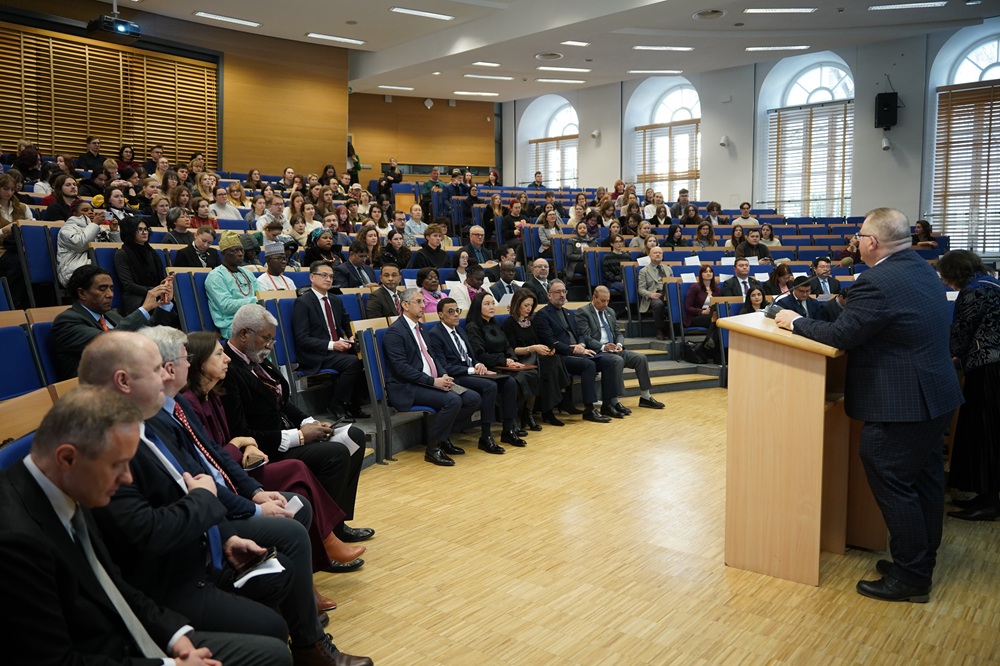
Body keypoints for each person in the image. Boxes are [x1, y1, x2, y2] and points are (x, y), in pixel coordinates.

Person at [80, 332, 372, 665]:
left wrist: (242, 509)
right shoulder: (114, 444)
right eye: (157, 369)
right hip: (181, 570)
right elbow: (157, 521)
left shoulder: (160, 416)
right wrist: (225, 518)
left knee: (285, 559)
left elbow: (212, 460)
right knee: (275, 619)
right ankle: (307, 636)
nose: (166, 375)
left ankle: (306, 624)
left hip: (206, 533)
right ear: (123, 381)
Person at [0, 385, 292, 666]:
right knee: (271, 654)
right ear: (67, 458)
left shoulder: (66, 482)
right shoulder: (14, 541)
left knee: (271, 649)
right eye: (117, 465)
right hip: (106, 652)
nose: (128, 479)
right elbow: (54, 660)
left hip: (134, 634)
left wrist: (175, 635)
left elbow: (114, 584)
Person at [774, 207, 963, 603]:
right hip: (936, 394)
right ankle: (920, 562)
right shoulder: (921, 268)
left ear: (872, 242)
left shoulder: (876, 281)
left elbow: (841, 334)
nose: (855, 241)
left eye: (859, 235)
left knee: (892, 479)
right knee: (925, 481)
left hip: (904, 403)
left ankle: (912, 578)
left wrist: (793, 321)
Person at [219, 305, 372, 546]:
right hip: (266, 450)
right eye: (266, 338)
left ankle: (337, 523)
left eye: (272, 340)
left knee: (354, 436)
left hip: (288, 434)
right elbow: (241, 432)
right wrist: (300, 436)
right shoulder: (229, 369)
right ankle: (325, 534)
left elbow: (282, 402)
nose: (270, 345)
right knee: (335, 454)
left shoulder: (256, 359)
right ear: (244, 334)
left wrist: (309, 422)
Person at [382, 288, 483, 466]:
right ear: (405, 305)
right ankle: (433, 448)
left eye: (423, 301)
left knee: (473, 398)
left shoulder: (421, 328)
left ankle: (442, 435)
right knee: (453, 401)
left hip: (430, 381)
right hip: (408, 386)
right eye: (418, 302)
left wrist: (444, 374)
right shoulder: (395, 332)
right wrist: (433, 381)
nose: (423, 305)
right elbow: (401, 368)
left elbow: (433, 356)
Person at [936, 250, 1000, 521]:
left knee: (984, 432)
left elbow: (961, 332)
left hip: (987, 366)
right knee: (989, 431)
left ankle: (990, 502)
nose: (945, 281)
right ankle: (985, 495)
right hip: (994, 365)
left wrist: (947, 354)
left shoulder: (973, 291)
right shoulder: (992, 283)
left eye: (946, 276)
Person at [430, 295, 527, 452]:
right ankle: (486, 436)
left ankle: (508, 429)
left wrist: (478, 364)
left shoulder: (459, 330)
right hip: (458, 376)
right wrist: (471, 369)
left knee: (509, 382)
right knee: (490, 386)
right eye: (451, 311)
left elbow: (471, 356)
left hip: (472, 371)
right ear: (441, 314)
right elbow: (444, 366)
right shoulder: (436, 334)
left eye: (457, 310)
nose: (456, 314)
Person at [51, 265, 174, 380]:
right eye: (102, 289)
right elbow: (107, 342)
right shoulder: (66, 322)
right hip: (94, 387)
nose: (110, 295)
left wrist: (165, 304)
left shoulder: (110, 315)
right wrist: (145, 308)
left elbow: (145, 334)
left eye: (111, 288)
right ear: (82, 293)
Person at [292, 261, 369, 422]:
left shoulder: (335, 300)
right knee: (353, 362)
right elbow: (302, 338)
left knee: (366, 356)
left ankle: (353, 403)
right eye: (324, 275)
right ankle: (337, 403)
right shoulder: (303, 302)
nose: (328, 279)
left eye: (331, 276)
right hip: (316, 353)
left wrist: (351, 337)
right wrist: (333, 345)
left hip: (335, 348)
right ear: (312, 277)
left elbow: (346, 322)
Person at [532, 280, 614, 424]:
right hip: (559, 356)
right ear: (549, 295)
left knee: (609, 362)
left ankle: (608, 405)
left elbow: (580, 333)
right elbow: (550, 341)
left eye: (564, 291)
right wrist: (573, 349)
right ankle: (589, 409)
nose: (562, 295)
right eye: (558, 292)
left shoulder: (569, 313)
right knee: (588, 365)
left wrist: (581, 344)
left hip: (578, 352)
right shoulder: (542, 315)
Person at [578, 286, 665, 413]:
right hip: (597, 352)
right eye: (602, 301)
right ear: (594, 298)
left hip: (614, 349)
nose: (605, 304)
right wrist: (603, 346)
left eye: (608, 301)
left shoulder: (610, 311)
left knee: (641, 358)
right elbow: (586, 337)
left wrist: (619, 344)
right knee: (617, 360)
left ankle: (645, 397)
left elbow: (618, 332)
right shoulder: (583, 312)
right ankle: (614, 400)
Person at [204, 230, 258, 337]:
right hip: (232, 325)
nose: (240, 254)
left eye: (241, 250)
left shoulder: (247, 273)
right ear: (223, 253)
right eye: (234, 251)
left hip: (255, 318)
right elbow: (227, 306)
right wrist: (256, 301)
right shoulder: (216, 276)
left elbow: (261, 295)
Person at [56, 199, 120, 287]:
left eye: (92, 210)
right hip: (76, 270)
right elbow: (81, 244)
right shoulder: (67, 229)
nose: (90, 212)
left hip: (99, 265)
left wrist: (114, 232)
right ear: (75, 214)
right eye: (85, 210)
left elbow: (115, 248)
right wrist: (94, 224)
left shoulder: (98, 228)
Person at [114, 217, 169, 316]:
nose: (144, 232)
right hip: (136, 297)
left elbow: (160, 276)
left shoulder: (151, 251)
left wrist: (165, 284)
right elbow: (128, 285)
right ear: (130, 232)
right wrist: (153, 291)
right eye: (139, 229)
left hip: (155, 293)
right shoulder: (122, 253)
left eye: (146, 229)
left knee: (175, 305)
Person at [638, 246, 674, 340]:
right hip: (653, 295)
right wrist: (650, 294)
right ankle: (660, 329)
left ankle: (674, 329)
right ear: (650, 256)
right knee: (658, 304)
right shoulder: (644, 271)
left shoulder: (668, 269)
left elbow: (672, 283)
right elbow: (641, 289)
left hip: (667, 293)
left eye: (660, 253)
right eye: (655, 253)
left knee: (677, 302)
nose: (658, 254)